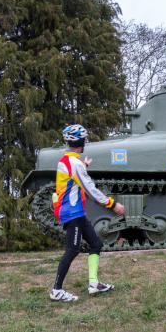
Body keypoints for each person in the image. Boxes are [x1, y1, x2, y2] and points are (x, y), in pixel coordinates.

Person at [50, 124, 125, 302]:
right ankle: (56, 290)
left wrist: (83, 166)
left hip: (77, 212)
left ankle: (94, 283)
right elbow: (90, 189)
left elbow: (74, 177)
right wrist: (112, 204)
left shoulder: (69, 161)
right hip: (72, 213)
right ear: (82, 142)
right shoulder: (74, 163)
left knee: (96, 244)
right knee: (72, 249)